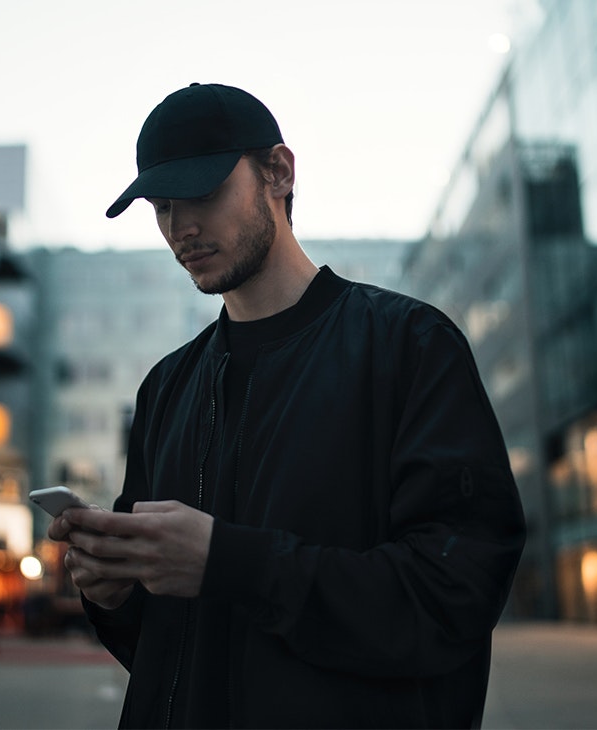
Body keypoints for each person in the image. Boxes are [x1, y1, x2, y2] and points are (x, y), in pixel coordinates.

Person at [48, 82, 526, 729]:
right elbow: (163, 644)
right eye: (161, 205)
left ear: (279, 171)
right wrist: (112, 592)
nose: (180, 227)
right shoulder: (166, 388)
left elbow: (452, 597)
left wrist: (228, 562)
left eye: (203, 192)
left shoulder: (409, 347)